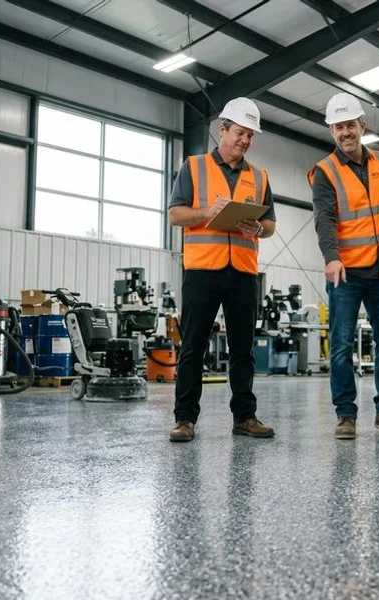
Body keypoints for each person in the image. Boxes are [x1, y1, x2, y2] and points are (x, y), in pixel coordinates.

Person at [308, 92, 379, 440]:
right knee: (340, 345)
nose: (345, 133)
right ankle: (346, 414)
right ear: (331, 131)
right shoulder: (325, 171)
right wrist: (331, 257)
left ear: (362, 126)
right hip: (347, 272)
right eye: (338, 127)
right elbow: (324, 219)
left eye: (350, 125)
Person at [167, 97, 276, 443]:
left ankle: (244, 416)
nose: (245, 141)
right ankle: (185, 419)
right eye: (240, 133)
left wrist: (258, 229)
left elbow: (270, 223)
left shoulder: (259, 177)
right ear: (223, 130)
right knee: (193, 348)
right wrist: (206, 212)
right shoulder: (194, 167)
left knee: (243, 349)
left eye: (250, 136)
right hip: (202, 272)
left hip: (243, 273)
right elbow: (175, 215)